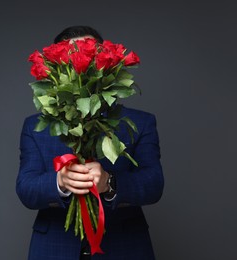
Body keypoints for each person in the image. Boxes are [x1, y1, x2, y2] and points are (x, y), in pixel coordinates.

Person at [16, 25, 164, 260]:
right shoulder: (35, 126)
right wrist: (60, 182)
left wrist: (110, 182)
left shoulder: (140, 122)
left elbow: (154, 184)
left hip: (124, 248)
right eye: (72, 55)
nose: (83, 63)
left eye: (92, 54)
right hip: (54, 248)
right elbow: (26, 189)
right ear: (57, 67)